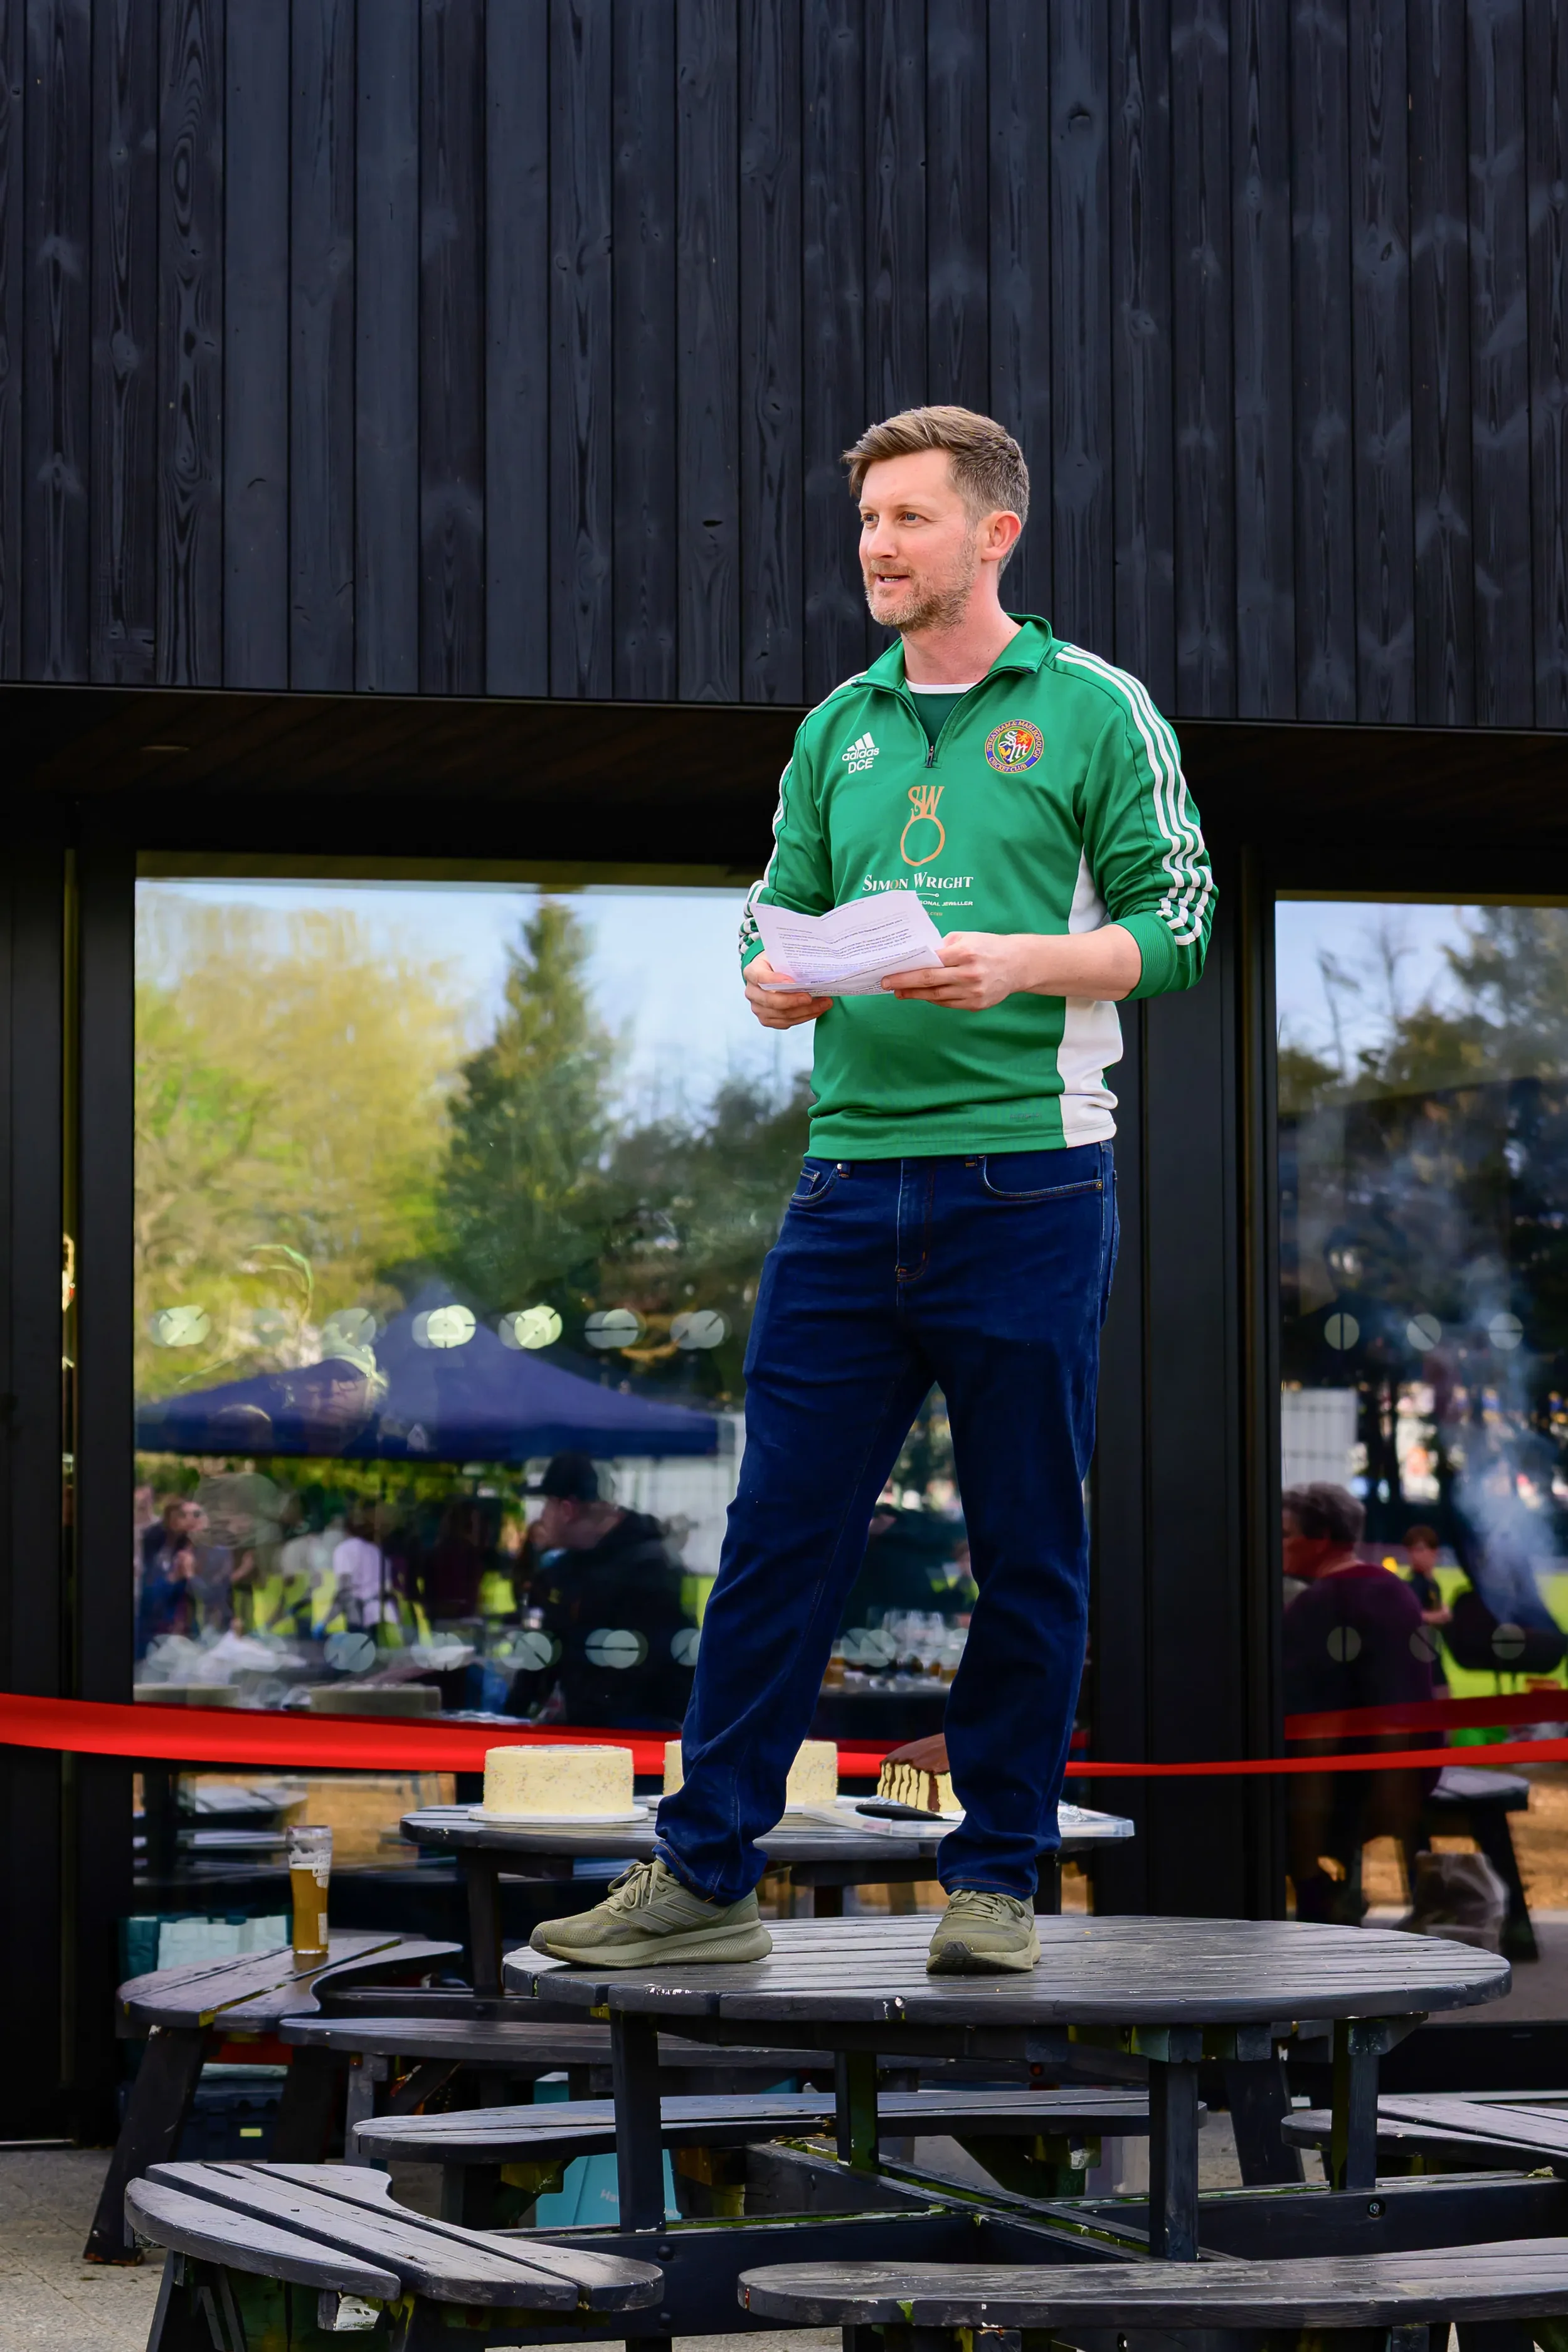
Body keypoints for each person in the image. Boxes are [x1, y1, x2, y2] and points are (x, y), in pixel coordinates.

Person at [532, 403, 1214, 1977]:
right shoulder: (833, 723)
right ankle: (703, 1872)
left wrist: (1026, 960)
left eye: (910, 519)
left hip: (1030, 1180)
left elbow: (1176, 920)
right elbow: (775, 912)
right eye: (867, 524)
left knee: (1026, 1543)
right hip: (846, 1187)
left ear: (995, 533)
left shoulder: (1099, 709)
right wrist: (773, 981)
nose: (879, 549)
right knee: (778, 1534)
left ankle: (992, 1880)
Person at [1281, 1483, 1437, 1924]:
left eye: (1286, 1534)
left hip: (1357, 1779)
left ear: (1322, 1538)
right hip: (1415, 1767)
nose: (1277, 1545)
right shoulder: (1394, 1589)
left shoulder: (1319, 1602)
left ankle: (1313, 1889)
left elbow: (1309, 1723)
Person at [509, 1453, 695, 1731]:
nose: (542, 1517)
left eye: (546, 1505)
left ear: (567, 1509)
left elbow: (650, 1668)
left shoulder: (649, 1567)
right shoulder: (568, 1569)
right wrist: (511, 1719)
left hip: (639, 1739)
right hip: (588, 1735)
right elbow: (546, 1652)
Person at [1402, 1523, 1451, 1689]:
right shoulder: (1412, 1585)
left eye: (1420, 1549)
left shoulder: (1433, 1585)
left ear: (1434, 1552)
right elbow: (1408, 1616)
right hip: (1418, 1656)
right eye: (1412, 1550)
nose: (1415, 1556)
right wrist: (1440, 1616)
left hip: (1433, 1653)